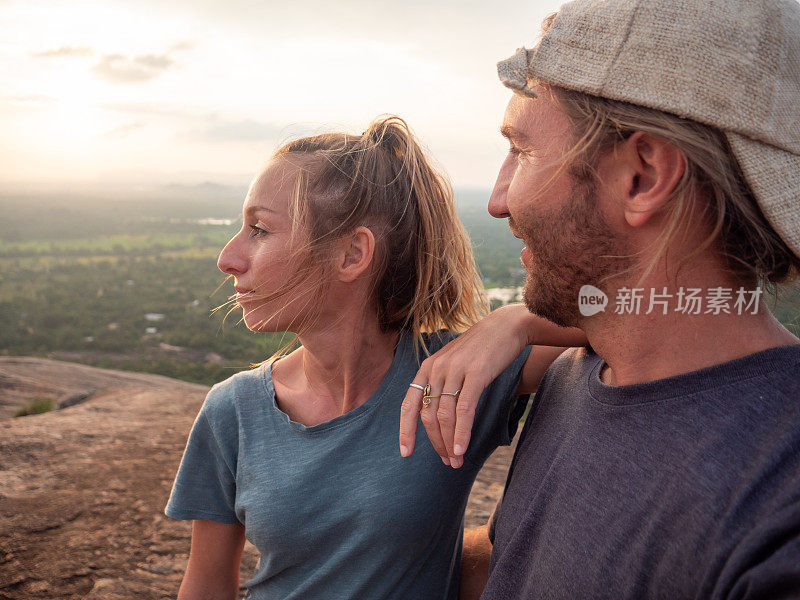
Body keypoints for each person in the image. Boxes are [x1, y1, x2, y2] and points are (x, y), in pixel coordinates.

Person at [407, 0, 800, 598]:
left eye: (522, 148)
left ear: (641, 176)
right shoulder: (580, 375)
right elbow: (515, 557)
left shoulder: (777, 506)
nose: (497, 198)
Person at [163, 115, 586, 600]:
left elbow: (642, 313)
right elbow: (207, 583)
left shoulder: (452, 376)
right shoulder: (232, 410)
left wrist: (518, 321)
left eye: (259, 229)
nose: (228, 257)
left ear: (352, 254)